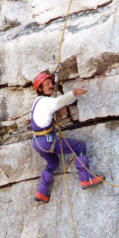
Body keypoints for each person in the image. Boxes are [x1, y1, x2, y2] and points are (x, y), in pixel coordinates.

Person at [31, 72, 104, 203]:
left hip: (38, 142)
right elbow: (58, 101)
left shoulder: (37, 102)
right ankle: (86, 179)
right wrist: (74, 93)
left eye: (51, 83)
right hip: (47, 141)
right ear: (40, 89)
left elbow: (44, 122)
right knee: (80, 147)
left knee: (52, 163)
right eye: (47, 84)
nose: (51, 86)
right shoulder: (45, 101)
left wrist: (58, 116)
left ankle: (41, 192)